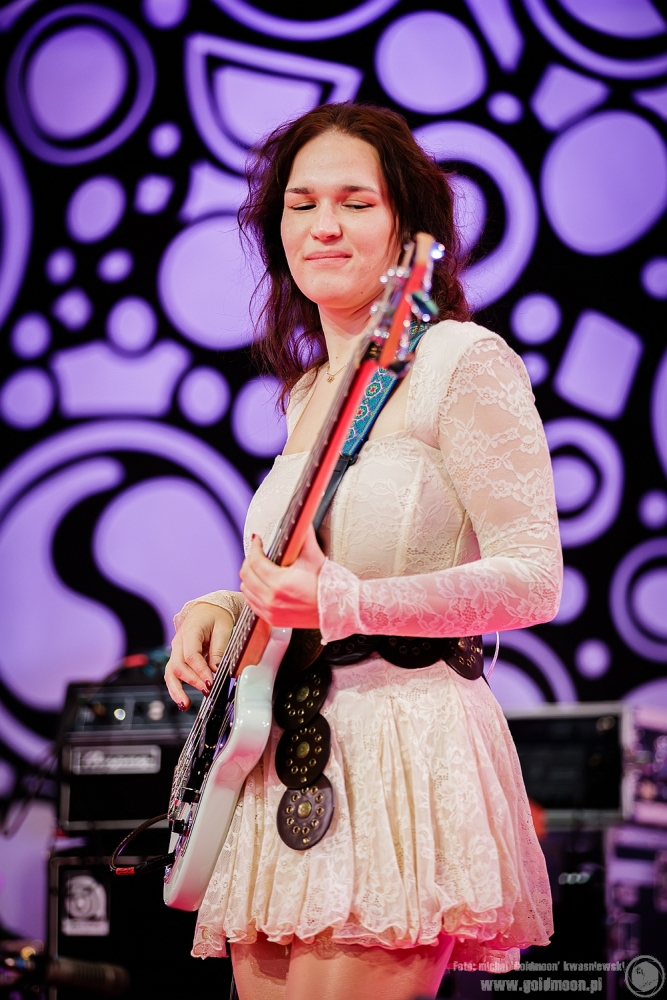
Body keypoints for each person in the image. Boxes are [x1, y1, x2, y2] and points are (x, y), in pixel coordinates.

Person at [165, 103, 562, 1000]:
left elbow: (533, 578)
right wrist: (222, 609)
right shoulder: (307, 390)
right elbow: (303, 572)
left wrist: (347, 605)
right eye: (301, 204)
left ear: (406, 226)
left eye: (355, 201)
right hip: (279, 752)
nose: (324, 225)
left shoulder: (462, 360)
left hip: (401, 745)